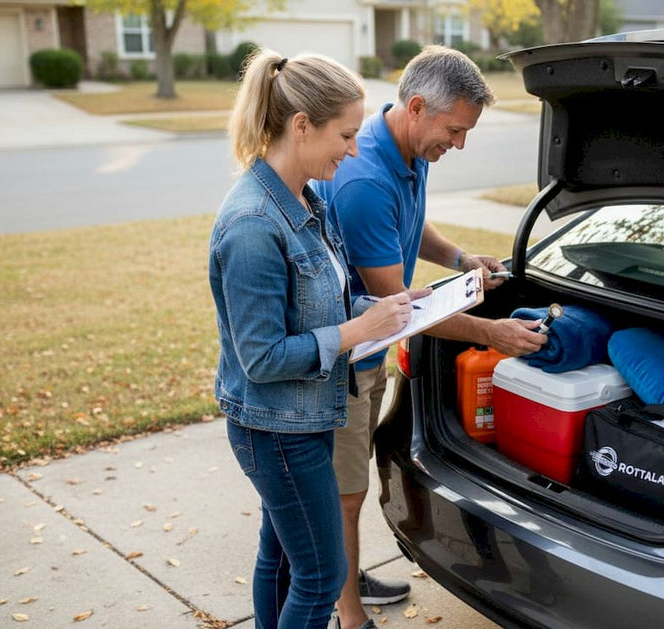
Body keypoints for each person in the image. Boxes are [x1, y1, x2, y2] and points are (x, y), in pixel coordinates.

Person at [316, 45, 546, 629]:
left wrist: (460, 258)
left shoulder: (405, 146)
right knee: (342, 493)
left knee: (345, 486)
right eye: (455, 130)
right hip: (341, 361)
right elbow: (401, 313)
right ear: (417, 106)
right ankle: (348, 613)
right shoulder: (365, 177)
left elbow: (410, 223)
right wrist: (491, 331)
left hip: (365, 353)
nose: (460, 144)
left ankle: (337, 571)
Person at [208, 49, 427, 629]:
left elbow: (323, 300)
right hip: (276, 428)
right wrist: (360, 330)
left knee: (281, 558)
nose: (354, 150)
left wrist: (384, 309)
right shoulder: (254, 225)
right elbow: (262, 357)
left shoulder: (307, 199)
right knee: (322, 577)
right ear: (301, 125)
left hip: (303, 419)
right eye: (345, 135)